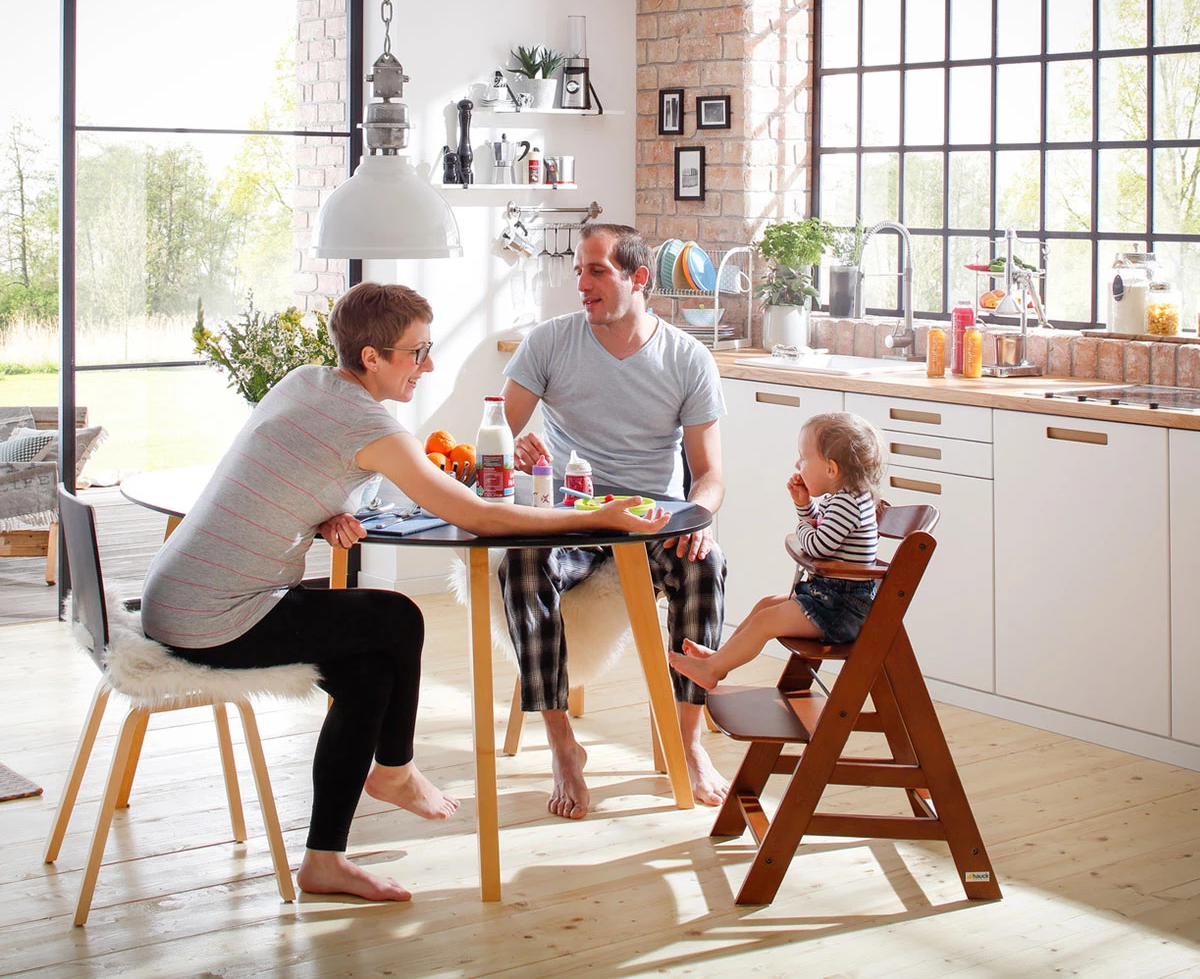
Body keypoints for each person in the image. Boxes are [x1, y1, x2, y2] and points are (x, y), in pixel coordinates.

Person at [140, 282, 669, 903]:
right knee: (396, 619)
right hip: (216, 617)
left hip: (174, 597)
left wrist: (324, 511)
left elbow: (286, 468)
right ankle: (396, 770)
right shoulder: (371, 426)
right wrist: (599, 518)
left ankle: (324, 861)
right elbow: (480, 516)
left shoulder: (306, 383)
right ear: (372, 357)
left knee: (369, 675)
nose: (430, 365)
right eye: (417, 352)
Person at [498, 222, 730, 820]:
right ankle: (562, 745)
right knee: (521, 564)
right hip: (571, 519)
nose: (582, 284)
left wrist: (699, 518)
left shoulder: (687, 358)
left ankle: (688, 743)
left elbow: (709, 474)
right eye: (579, 270)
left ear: (638, 278)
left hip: (650, 519)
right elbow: (492, 436)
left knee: (707, 566)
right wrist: (511, 445)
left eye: (597, 271)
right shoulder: (549, 343)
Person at [669, 411, 886, 691]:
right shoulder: (843, 499)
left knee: (766, 621)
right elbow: (821, 530)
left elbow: (817, 546)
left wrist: (802, 526)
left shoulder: (848, 504)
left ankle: (713, 669)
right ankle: (720, 658)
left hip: (838, 610)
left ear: (831, 469)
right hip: (828, 598)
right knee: (766, 605)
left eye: (804, 458)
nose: (798, 464)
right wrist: (805, 506)